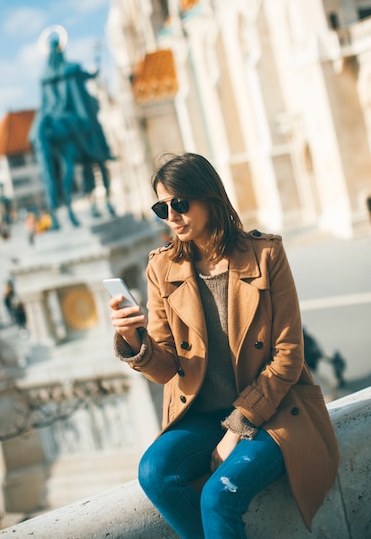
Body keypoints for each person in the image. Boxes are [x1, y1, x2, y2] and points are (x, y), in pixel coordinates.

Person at [108, 153, 339, 538]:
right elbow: (166, 369)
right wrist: (136, 341)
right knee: (154, 473)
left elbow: (287, 355)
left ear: (210, 198)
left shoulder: (265, 255)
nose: (171, 216)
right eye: (161, 208)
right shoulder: (161, 268)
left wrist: (237, 426)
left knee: (219, 495)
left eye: (180, 204)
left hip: (272, 413)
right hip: (201, 418)